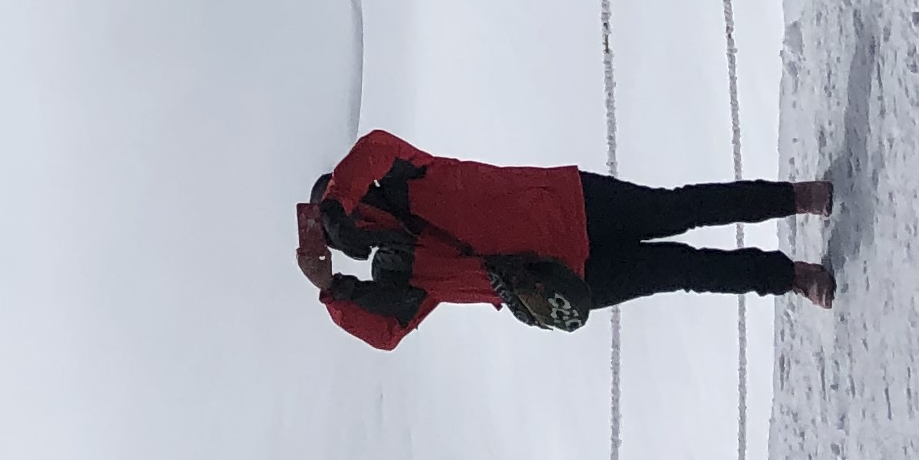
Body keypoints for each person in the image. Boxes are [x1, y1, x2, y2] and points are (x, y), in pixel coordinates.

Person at [297, 128, 835, 345]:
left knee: (681, 208)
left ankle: (792, 198)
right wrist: (332, 291)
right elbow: (388, 330)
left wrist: (337, 197)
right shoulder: (400, 273)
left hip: (572, 204)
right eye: (331, 224)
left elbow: (374, 145)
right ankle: (789, 276)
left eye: (338, 205)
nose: (339, 221)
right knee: (684, 269)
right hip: (561, 282)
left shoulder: (403, 176)